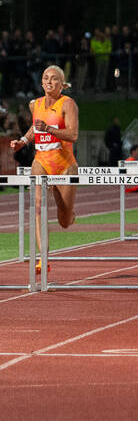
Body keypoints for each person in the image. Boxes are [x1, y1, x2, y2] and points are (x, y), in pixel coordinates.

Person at [8, 65, 79, 272]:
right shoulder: (34, 104)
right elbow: (35, 126)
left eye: (54, 79)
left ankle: (70, 214)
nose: (49, 82)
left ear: (61, 84)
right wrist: (23, 140)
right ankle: (43, 257)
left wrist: (49, 129)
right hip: (41, 161)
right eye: (45, 78)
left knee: (64, 220)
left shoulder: (68, 104)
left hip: (65, 165)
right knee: (37, 208)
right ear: (41, 83)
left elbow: (73, 135)